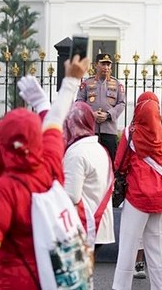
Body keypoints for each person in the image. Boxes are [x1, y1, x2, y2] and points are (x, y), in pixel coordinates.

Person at [0, 56, 90, 289]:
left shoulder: (5, 189)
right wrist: (69, 81)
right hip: (52, 278)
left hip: (13, 281)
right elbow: (54, 122)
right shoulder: (49, 162)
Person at [112, 92, 162, 290]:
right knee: (157, 249)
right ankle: (159, 287)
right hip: (161, 197)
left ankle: (121, 287)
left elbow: (119, 164)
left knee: (128, 248)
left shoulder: (131, 133)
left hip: (137, 196)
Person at [62, 101, 115, 248]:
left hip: (84, 225)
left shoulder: (76, 153)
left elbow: (71, 195)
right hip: (99, 224)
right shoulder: (99, 149)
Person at [77, 52, 126, 161]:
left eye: (108, 65)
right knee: (89, 159)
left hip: (109, 130)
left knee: (111, 161)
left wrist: (108, 115)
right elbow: (79, 103)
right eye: (103, 64)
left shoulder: (117, 84)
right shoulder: (86, 83)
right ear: (95, 65)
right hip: (90, 129)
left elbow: (121, 103)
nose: (106, 67)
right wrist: (91, 114)